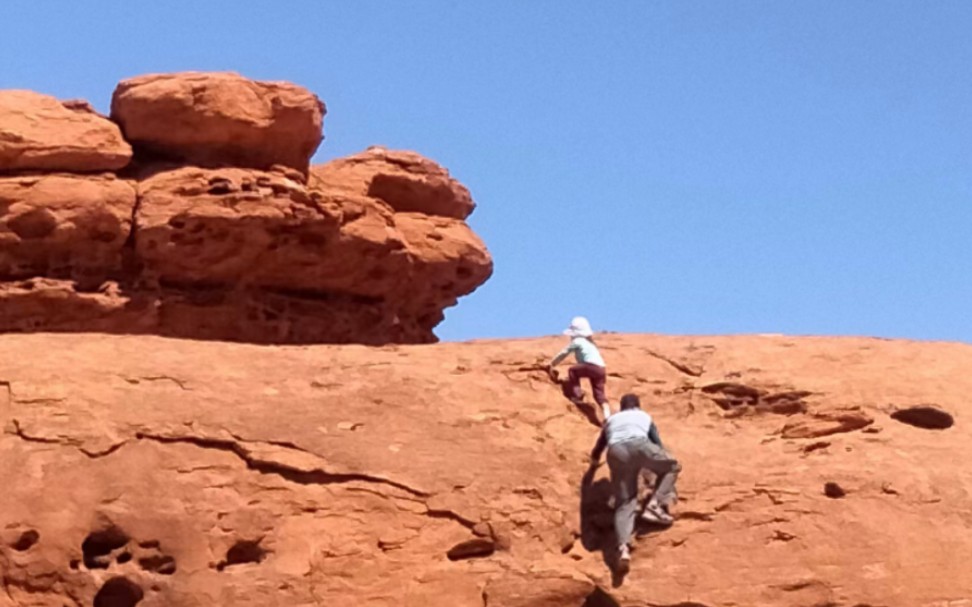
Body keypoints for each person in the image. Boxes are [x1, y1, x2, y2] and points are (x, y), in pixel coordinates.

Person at [589, 393, 680, 572]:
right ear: (637, 406)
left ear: (622, 407)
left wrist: (593, 462)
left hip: (616, 452)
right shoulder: (643, 416)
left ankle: (623, 548)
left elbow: (600, 444)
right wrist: (657, 465)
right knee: (672, 467)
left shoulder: (613, 420)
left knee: (625, 502)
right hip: (640, 445)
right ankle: (655, 505)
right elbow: (656, 441)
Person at [548, 316, 611, 419]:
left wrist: (552, 363)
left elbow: (564, 353)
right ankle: (607, 415)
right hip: (601, 369)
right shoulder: (590, 343)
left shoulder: (577, 341)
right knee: (599, 395)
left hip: (591, 366)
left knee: (573, 371)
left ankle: (577, 395)